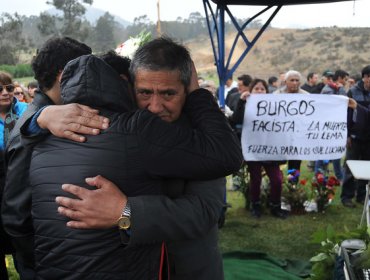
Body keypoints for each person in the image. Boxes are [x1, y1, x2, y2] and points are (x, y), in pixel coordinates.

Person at [22, 37, 242, 279]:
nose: (155, 106)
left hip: (187, 269)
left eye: (168, 94)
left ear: (186, 90)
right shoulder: (114, 127)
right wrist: (41, 116)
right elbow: (18, 146)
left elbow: (204, 211)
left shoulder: (204, 136)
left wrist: (125, 212)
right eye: (145, 93)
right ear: (129, 86)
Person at [1, 37, 92, 280]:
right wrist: (41, 259)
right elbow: (15, 213)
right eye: (87, 72)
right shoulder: (32, 130)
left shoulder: (54, 118)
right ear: (64, 74)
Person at [232, 78, 287, 218]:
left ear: (267, 91)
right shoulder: (245, 104)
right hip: (253, 149)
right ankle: (255, 206)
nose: (260, 91)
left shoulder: (274, 106)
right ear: (251, 91)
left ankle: (275, 206)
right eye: (256, 88)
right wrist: (241, 101)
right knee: (255, 179)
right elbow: (236, 120)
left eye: (262, 89)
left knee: (277, 180)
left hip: (270, 149)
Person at [0, 71, 28, 280]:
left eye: (9, 88)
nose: (5, 93)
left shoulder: (27, 111)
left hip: (25, 192)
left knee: (25, 251)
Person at [341, 65, 370, 208]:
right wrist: (346, 135)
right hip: (354, 136)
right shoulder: (352, 92)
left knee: (366, 167)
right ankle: (346, 196)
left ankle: (362, 195)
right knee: (350, 167)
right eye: (369, 76)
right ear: (364, 77)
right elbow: (346, 114)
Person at [273, 70, 308, 173]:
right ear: (285, 81)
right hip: (280, 135)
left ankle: (293, 184)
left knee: (295, 163)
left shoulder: (307, 96)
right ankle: (277, 183)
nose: (295, 83)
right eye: (292, 80)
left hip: (297, 136)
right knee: (277, 163)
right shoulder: (276, 95)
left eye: (297, 80)